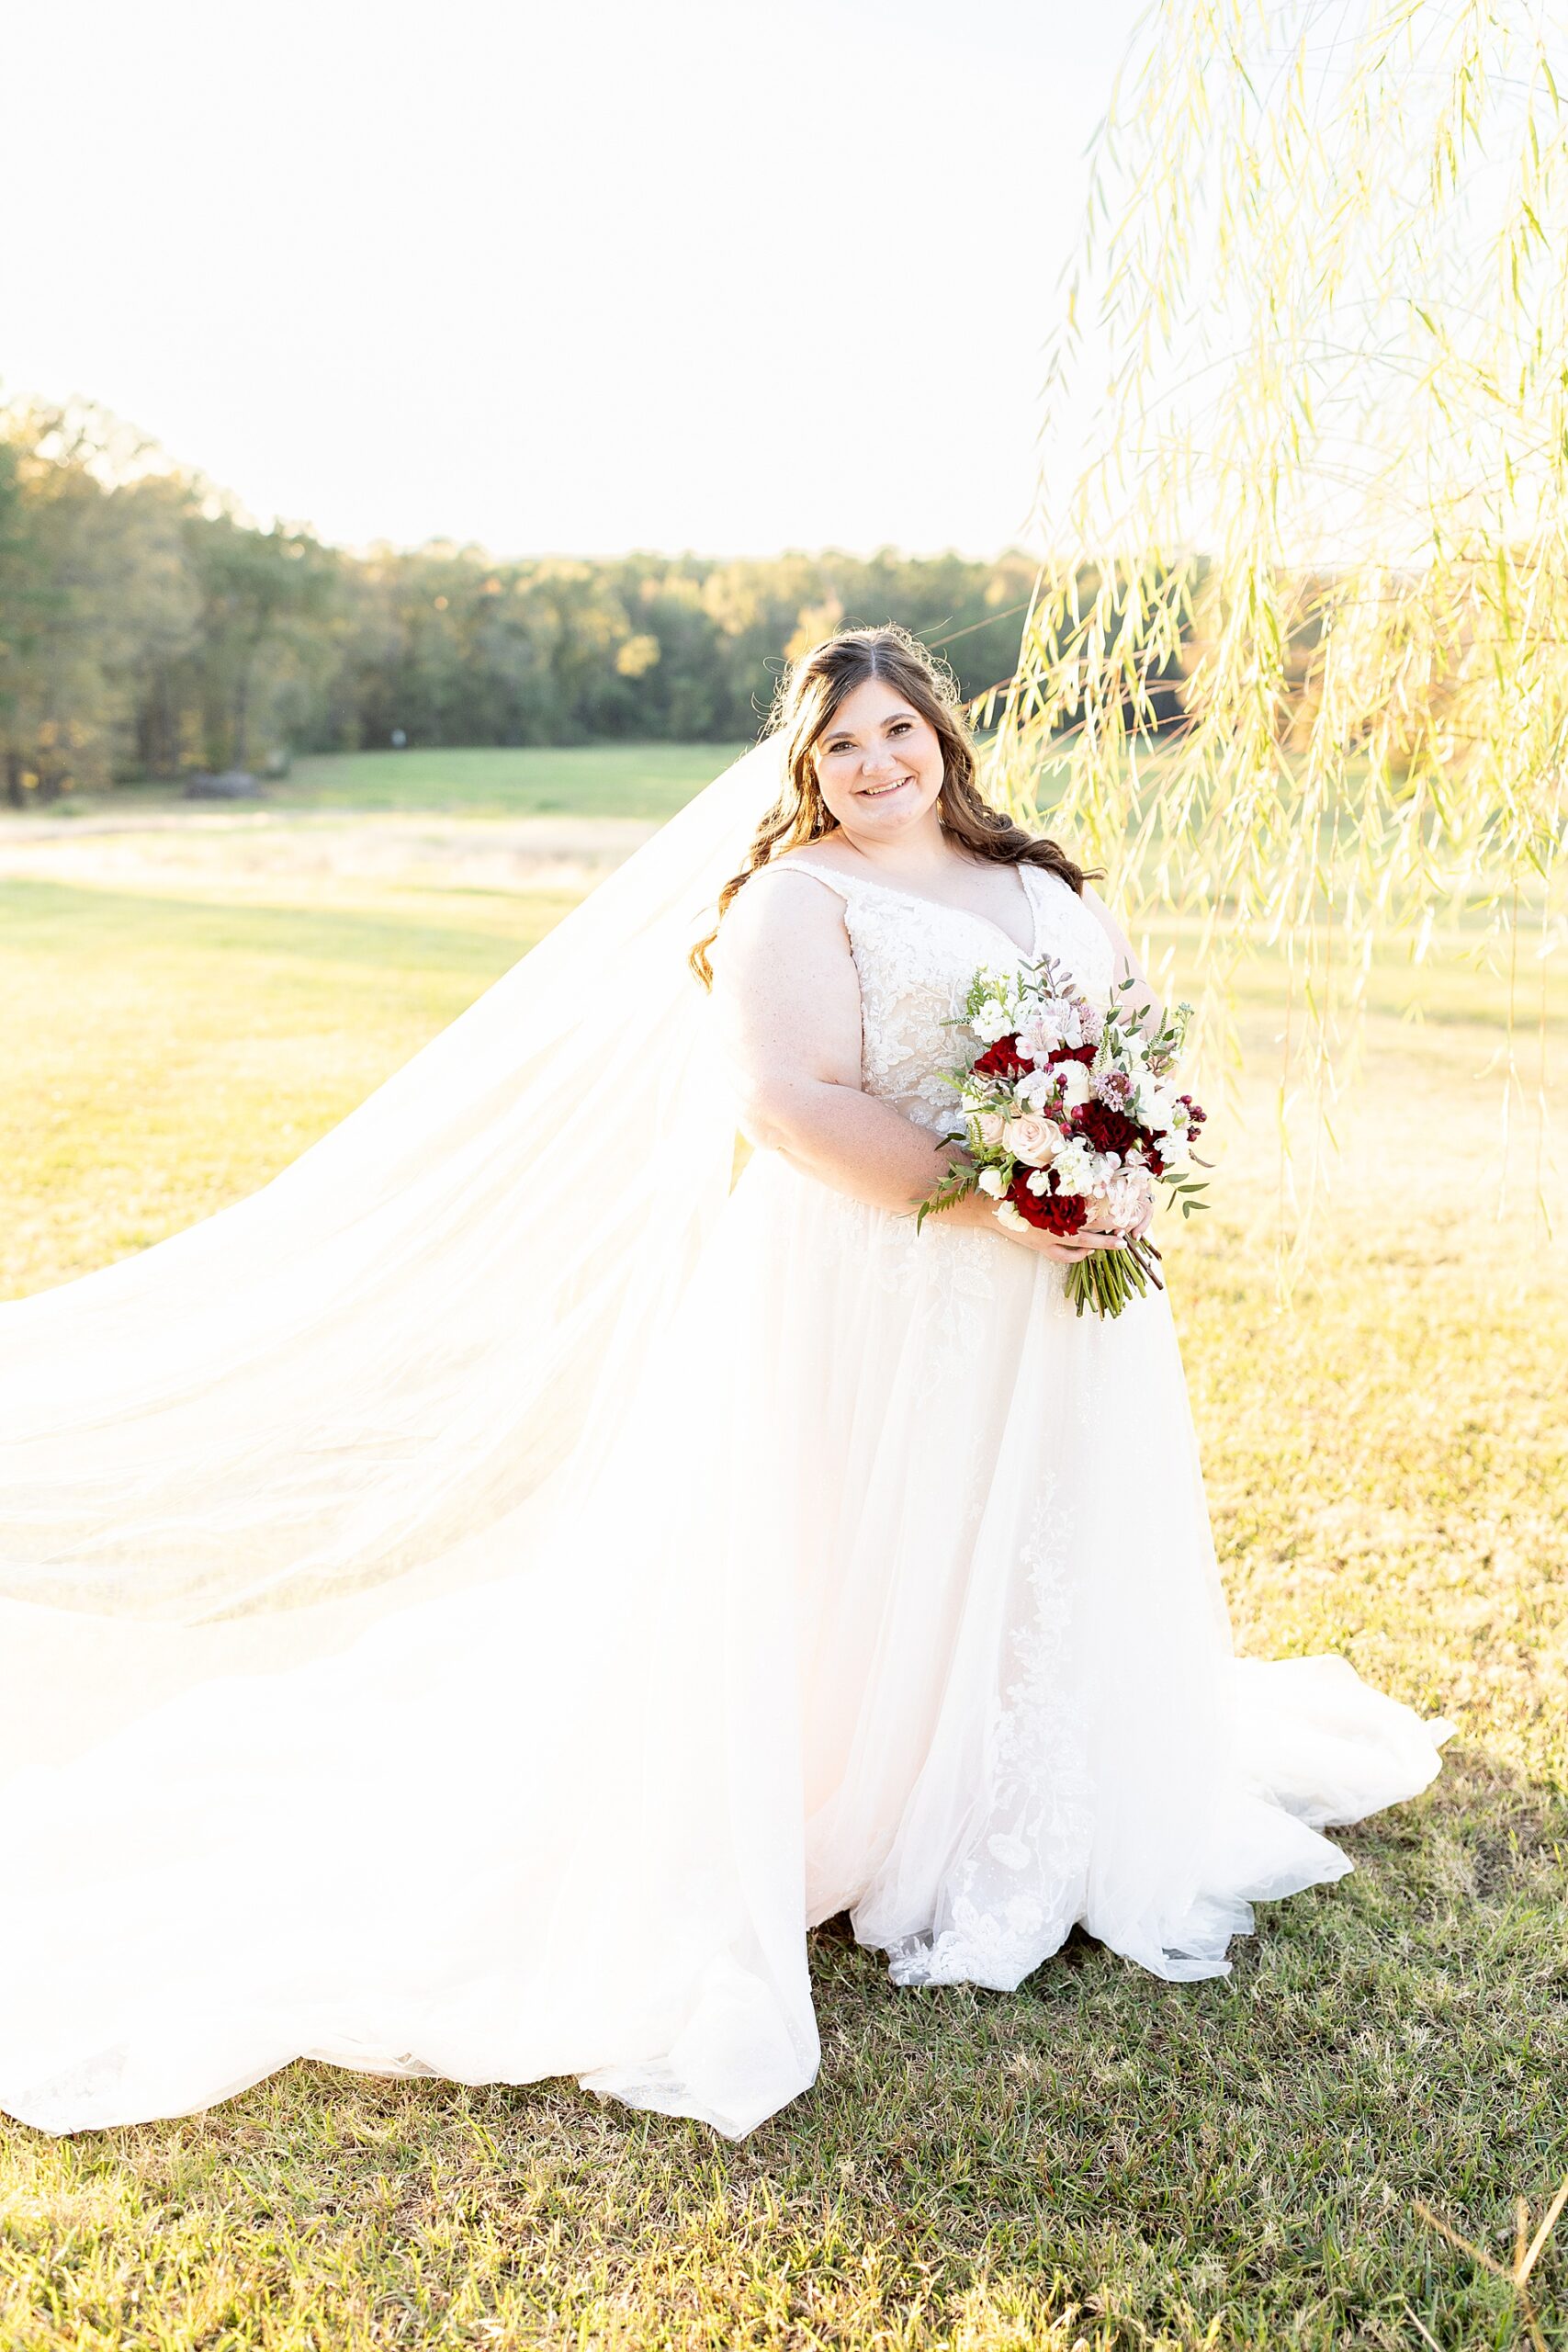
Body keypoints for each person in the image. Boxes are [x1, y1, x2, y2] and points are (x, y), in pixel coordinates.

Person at [0, 627, 1450, 2142]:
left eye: (898, 730)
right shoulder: (796, 900)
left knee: (1047, 1521)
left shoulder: (1047, 886)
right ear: (804, 767)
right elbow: (788, 1098)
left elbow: (1127, 1045)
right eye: (841, 746)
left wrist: (1133, 1164)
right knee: (877, 1537)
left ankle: (1046, 1790)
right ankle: (882, 1800)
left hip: (1067, 1291)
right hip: (895, 1284)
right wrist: (1003, 1203)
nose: (877, 764)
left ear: (944, 737)